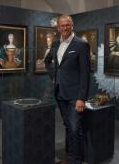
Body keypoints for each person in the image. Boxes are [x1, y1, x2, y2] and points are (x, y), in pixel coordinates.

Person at [45, 15, 90, 164]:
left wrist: (81, 98)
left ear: (72, 26)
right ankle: (69, 156)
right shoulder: (56, 43)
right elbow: (48, 62)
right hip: (60, 92)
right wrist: (54, 76)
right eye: (61, 25)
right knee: (67, 126)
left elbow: (85, 74)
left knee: (75, 128)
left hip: (75, 95)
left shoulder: (81, 44)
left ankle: (76, 160)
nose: (64, 28)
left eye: (67, 25)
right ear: (58, 28)